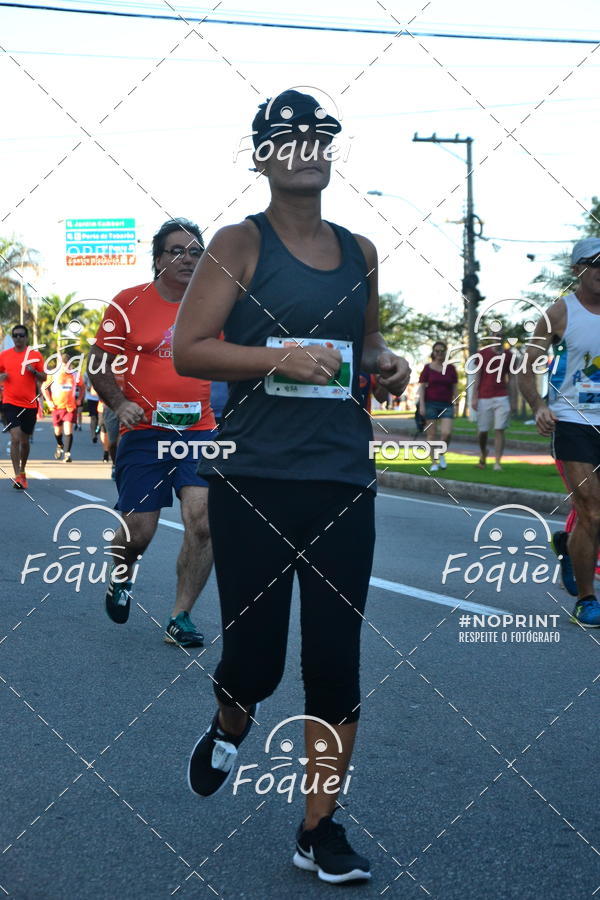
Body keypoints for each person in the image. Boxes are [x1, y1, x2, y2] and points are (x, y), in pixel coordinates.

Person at [173, 89, 410, 883]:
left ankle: (319, 828)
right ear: (263, 156)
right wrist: (278, 358)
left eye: (319, 136)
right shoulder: (239, 244)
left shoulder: (361, 250)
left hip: (341, 477)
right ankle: (231, 720)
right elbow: (190, 350)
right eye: (288, 138)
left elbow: (365, 344)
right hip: (254, 479)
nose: (307, 148)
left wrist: (384, 362)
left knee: (336, 660)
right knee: (256, 660)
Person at [88, 218, 215, 648]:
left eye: (196, 252)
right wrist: (119, 403)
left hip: (200, 431)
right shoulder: (129, 302)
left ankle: (181, 616)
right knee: (139, 531)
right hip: (144, 431)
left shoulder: (214, 305)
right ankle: (121, 575)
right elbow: (98, 363)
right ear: (158, 259)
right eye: (177, 251)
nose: (187, 258)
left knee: (203, 522)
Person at [520, 237, 600, 628]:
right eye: (594, 262)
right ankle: (587, 600)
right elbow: (526, 367)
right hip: (572, 420)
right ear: (577, 269)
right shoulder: (560, 312)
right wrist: (539, 406)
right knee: (592, 511)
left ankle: (571, 547)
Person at [0, 324, 45, 489]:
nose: (18, 338)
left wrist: (34, 371)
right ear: (13, 338)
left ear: (26, 338)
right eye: (15, 335)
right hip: (10, 402)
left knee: (24, 442)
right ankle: (17, 476)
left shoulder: (35, 355)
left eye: (21, 335)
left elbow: (44, 377)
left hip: (29, 405)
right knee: (15, 438)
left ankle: (23, 470)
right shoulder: (4, 355)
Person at [472, 331, 517, 471]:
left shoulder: (509, 356)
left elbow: (512, 379)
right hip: (484, 396)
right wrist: (474, 397)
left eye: (500, 335)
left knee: (499, 429)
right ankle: (483, 453)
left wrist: (514, 400)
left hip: (502, 396)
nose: (497, 338)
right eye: (495, 335)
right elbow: (477, 377)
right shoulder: (482, 354)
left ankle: (497, 462)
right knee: (482, 431)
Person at [418, 341, 457, 471]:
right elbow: (422, 387)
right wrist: (422, 405)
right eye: (437, 351)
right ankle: (434, 463)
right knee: (431, 435)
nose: (439, 353)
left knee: (447, 433)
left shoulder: (451, 368)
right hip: (430, 404)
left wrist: (456, 403)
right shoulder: (427, 368)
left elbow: (454, 388)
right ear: (433, 353)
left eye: (442, 351)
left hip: (447, 405)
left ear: (446, 353)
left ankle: (441, 454)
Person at [43, 350, 82, 462]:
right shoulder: (53, 374)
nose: (66, 368)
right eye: (64, 365)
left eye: (68, 365)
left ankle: (67, 454)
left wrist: (79, 399)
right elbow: (44, 388)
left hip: (70, 407)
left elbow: (82, 387)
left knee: (68, 430)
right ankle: (60, 445)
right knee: (57, 432)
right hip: (56, 407)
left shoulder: (74, 374)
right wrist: (48, 400)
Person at [83, 372, 100, 442]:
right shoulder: (87, 373)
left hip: (101, 398)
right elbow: (83, 383)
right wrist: (87, 387)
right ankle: (93, 435)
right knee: (93, 416)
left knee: (99, 417)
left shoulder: (103, 371)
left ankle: (98, 429)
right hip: (91, 397)